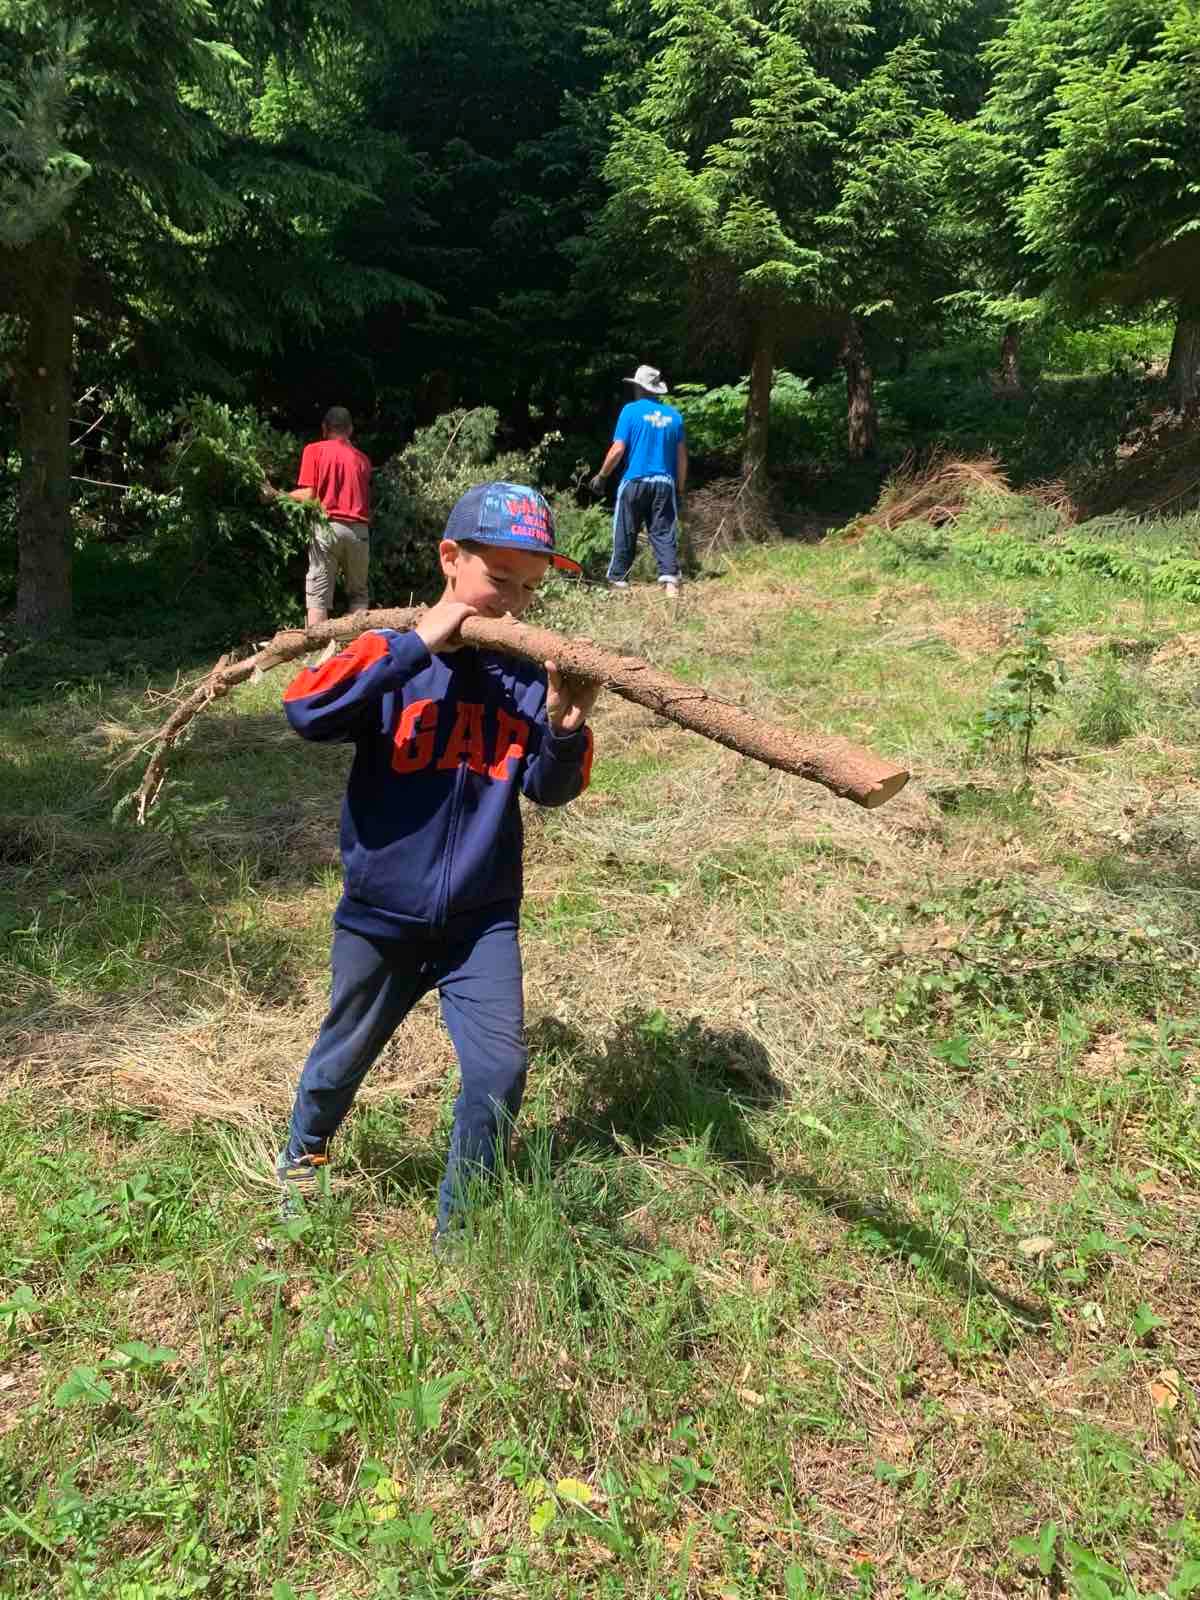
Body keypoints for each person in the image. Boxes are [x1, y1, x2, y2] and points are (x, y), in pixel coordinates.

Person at [275, 481, 596, 1245]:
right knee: (341, 1057)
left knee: (498, 1072)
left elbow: (549, 791)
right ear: (451, 558)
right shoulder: (388, 650)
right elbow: (306, 709)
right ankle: (304, 1157)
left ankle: (463, 1228)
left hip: (481, 919)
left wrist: (564, 728)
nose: (513, 603)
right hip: (380, 913)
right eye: (499, 579)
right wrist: (416, 644)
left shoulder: (525, 676)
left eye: (530, 589)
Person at [590, 364, 688, 597]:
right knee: (663, 532)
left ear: (639, 388)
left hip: (634, 481)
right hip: (664, 483)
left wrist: (602, 476)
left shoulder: (630, 411)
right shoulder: (675, 417)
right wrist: (680, 490)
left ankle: (619, 582)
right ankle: (671, 586)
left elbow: (618, 449)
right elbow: (682, 458)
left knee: (626, 530)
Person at [285, 406, 373, 627]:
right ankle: (356, 644)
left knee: (318, 596)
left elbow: (309, 495)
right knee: (358, 595)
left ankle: (318, 644)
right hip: (359, 532)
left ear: (324, 428)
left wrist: (279, 495)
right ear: (350, 429)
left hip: (328, 528)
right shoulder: (363, 460)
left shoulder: (314, 450)